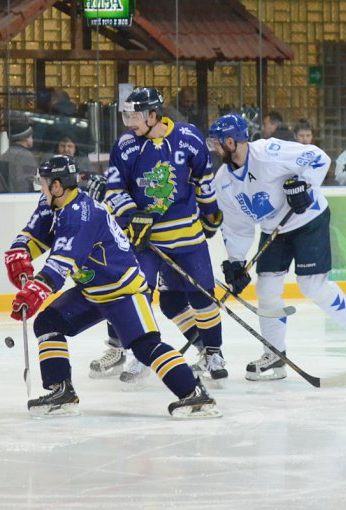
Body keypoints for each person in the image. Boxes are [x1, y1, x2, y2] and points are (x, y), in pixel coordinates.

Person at [4, 155, 219, 419]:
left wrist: (36, 289)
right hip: (92, 291)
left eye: (45, 183)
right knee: (48, 323)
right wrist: (20, 251)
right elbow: (37, 231)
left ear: (57, 185)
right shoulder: (55, 202)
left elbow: (62, 262)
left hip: (124, 292)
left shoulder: (81, 216)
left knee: (145, 346)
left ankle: (194, 394)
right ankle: (62, 392)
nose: (42, 188)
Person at [208, 113, 346, 380]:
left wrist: (303, 186)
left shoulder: (269, 152)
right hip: (274, 229)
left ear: (230, 142)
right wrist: (236, 261)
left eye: (216, 143)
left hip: (308, 218)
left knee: (311, 285)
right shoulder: (223, 181)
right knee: (266, 288)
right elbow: (236, 225)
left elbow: (318, 157)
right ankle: (274, 354)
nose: (214, 149)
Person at [91, 87, 227, 385]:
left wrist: (211, 214)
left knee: (202, 294)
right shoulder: (125, 145)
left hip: (187, 237)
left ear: (154, 115)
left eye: (135, 116)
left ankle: (213, 352)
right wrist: (132, 216)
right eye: (127, 116)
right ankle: (144, 353)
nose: (130, 123)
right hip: (146, 241)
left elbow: (203, 179)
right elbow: (115, 190)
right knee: (137, 295)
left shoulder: (189, 137)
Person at [0, 118, 37, 193]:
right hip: (20, 200)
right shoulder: (25, 156)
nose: (32, 139)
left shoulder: (3, 157)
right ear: (26, 138)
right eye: (31, 136)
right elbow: (24, 185)